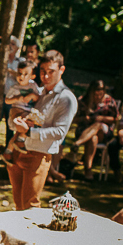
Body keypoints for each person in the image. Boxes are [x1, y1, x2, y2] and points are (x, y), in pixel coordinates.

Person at [7, 50, 77, 211]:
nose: (46, 76)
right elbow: (26, 116)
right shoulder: (39, 92)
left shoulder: (66, 98)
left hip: (38, 155)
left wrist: (29, 132)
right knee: (18, 206)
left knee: (30, 207)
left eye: (51, 71)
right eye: (43, 71)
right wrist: (16, 122)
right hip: (18, 150)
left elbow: (60, 132)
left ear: (62, 70)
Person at [70, 80, 118, 180]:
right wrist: (84, 118)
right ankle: (88, 170)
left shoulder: (109, 101)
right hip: (84, 130)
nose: (98, 97)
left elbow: (116, 119)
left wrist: (102, 118)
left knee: (98, 125)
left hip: (103, 132)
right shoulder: (83, 100)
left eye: (100, 94)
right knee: (93, 138)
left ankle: (77, 144)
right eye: (95, 94)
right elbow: (73, 119)